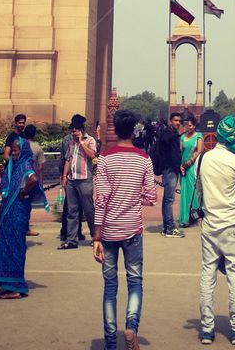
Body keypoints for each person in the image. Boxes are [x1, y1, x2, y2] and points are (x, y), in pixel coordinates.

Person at [94, 108, 157, 350]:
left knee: (110, 288)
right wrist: (133, 196)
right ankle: (131, 327)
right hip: (132, 229)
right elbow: (151, 197)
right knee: (135, 282)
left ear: (114, 129)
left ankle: (110, 343)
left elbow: (101, 201)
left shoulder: (106, 159)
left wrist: (96, 236)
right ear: (133, 130)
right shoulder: (144, 159)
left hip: (108, 230)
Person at [198, 115, 235, 345]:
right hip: (231, 224)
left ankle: (207, 329)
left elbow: (199, 190)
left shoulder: (204, 159)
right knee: (234, 277)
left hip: (210, 224)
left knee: (208, 276)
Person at [0, 135, 48, 297]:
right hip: (8, 212)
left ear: (23, 150)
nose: (13, 154)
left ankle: (15, 287)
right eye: (12, 151)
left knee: (16, 246)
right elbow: (5, 181)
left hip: (18, 212)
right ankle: (9, 283)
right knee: (6, 245)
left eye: (15, 151)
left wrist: (24, 191)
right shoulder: (13, 165)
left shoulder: (26, 163)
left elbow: (34, 179)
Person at [60, 113, 97, 249]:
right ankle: (72, 240)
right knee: (72, 212)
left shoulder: (90, 140)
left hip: (84, 180)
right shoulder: (70, 142)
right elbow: (68, 159)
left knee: (89, 210)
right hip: (72, 179)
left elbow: (92, 155)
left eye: (74, 130)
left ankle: (95, 237)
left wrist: (81, 142)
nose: (72, 132)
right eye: (71, 130)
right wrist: (64, 176)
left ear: (80, 129)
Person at [156, 113, 184, 238]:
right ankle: (169, 228)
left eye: (179, 121)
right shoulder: (167, 132)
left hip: (173, 169)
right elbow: (165, 140)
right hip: (169, 170)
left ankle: (166, 226)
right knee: (169, 199)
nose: (178, 123)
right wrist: (178, 134)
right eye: (175, 120)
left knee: (167, 199)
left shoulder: (172, 133)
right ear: (170, 121)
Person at [179, 113, 203, 227]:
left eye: (189, 125)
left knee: (192, 192)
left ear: (194, 126)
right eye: (186, 125)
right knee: (184, 193)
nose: (187, 127)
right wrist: (181, 165)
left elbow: (199, 151)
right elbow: (179, 152)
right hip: (183, 167)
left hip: (193, 167)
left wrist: (190, 162)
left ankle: (194, 216)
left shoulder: (198, 136)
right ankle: (185, 219)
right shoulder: (182, 137)